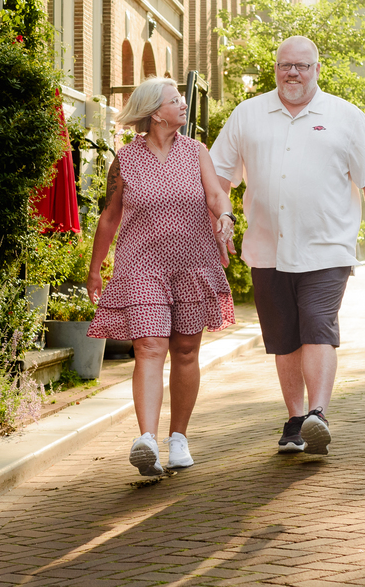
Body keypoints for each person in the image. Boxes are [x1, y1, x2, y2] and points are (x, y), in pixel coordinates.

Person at [210, 36, 365, 456]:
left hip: (326, 248)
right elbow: (219, 178)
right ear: (275, 68)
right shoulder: (248, 114)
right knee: (283, 338)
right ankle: (296, 420)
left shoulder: (346, 117)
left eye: (302, 66)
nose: (292, 73)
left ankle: (318, 414)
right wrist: (218, 222)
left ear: (316, 68)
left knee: (317, 325)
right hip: (265, 248)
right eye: (285, 65)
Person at [86, 77, 236, 477]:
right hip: (141, 265)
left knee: (186, 351)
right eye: (176, 101)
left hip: (192, 263)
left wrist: (225, 216)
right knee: (149, 347)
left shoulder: (196, 151)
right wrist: (95, 268)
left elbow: (215, 195)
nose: (184, 105)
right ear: (155, 112)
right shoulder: (126, 159)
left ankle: (178, 438)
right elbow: (110, 216)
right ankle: (147, 440)